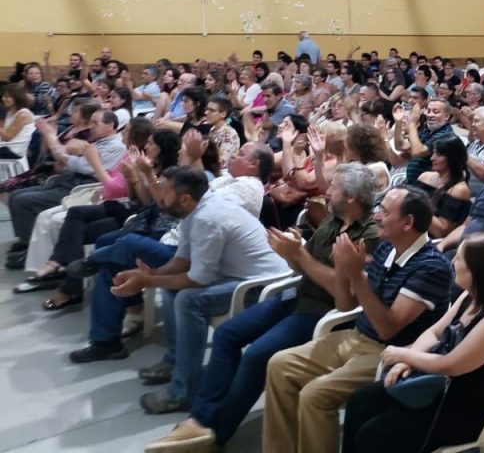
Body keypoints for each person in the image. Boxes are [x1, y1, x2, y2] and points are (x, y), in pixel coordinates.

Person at [143, 163, 380, 452]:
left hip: (324, 311)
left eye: (334, 187)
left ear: (352, 197)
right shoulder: (333, 219)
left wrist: (300, 257)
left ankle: (214, 431)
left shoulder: (368, 235)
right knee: (227, 334)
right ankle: (201, 418)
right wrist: (291, 253)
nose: (327, 190)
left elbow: (345, 293)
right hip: (298, 294)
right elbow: (303, 265)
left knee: (257, 355)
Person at [262, 187, 453, 453]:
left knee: (315, 395)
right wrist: (343, 270)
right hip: (355, 337)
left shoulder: (431, 267)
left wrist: (355, 276)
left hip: (390, 353)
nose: (376, 216)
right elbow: (345, 304)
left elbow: (387, 328)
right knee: (279, 364)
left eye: (384, 212)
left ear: (407, 223)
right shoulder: (388, 247)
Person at [97, 167, 291, 413]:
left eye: (164, 193)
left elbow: (197, 279)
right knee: (172, 291)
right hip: (242, 276)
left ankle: (182, 392)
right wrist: (152, 274)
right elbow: (182, 260)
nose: (159, 198)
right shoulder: (196, 210)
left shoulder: (207, 218)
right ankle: (176, 362)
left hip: (264, 288)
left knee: (189, 299)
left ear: (184, 199)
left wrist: (146, 281)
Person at [341, 233, 484, 452]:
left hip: (467, 407)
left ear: (477, 272)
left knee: (373, 436)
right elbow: (434, 333)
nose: (452, 262)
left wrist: (405, 355)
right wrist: (409, 363)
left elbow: (452, 365)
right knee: (359, 402)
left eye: (459, 259)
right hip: (439, 385)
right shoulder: (470, 297)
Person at [5, 110, 126, 265]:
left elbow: (83, 166)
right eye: (91, 123)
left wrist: (64, 154)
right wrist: (67, 154)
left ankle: (28, 248)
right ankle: (25, 241)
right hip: (66, 178)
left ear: (110, 126)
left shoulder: (115, 146)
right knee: (15, 195)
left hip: (80, 185)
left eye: (96, 123)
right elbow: (67, 155)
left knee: (23, 200)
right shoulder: (97, 141)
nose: (91, 127)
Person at [417, 135, 473, 239]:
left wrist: (416, 205)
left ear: (452, 158)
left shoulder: (459, 190)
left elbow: (441, 232)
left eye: (438, 154)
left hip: (431, 240)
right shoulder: (424, 177)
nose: (432, 158)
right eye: (433, 153)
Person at [396, 99, 455, 188]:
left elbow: (417, 152)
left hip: (429, 188)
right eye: (428, 111)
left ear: (446, 116)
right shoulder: (426, 131)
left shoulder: (446, 134)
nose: (430, 115)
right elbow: (401, 146)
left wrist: (412, 123)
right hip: (413, 184)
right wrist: (398, 121)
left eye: (435, 112)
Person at [0, 84, 36, 161]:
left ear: (16, 98)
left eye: (7, 97)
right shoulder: (10, 112)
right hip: (5, 146)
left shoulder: (23, 114)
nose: (3, 99)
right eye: (3, 96)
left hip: (14, 150)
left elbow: (7, 137)